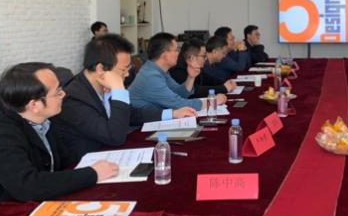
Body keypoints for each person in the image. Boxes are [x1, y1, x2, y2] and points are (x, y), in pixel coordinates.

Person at [0, 62, 119, 216]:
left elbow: (67, 161)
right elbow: (29, 186)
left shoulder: (45, 121)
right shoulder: (2, 138)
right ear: (34, 105)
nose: (63, 95)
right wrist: (92, 174)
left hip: (38, 206)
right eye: (57, 92)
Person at [54, 34, 195, 162]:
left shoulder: (103, 86)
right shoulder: (73, 99)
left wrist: (172, 113)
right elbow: (114, 137)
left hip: (109, 155)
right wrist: (118, 90)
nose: (127, 75)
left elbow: (132, 114)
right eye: (123, 69)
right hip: (85, 166)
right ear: (100, 69)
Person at [129, 32, 225, 111]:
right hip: (139, 126)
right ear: (164, 54)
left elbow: (179, 93)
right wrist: (211, 101)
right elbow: (178, 103)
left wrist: (191, 77)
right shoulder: (151, 77)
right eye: (175, 50)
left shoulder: (160, 70)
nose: (178, 53)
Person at [169, 39, 235, 98]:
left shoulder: (195, 66)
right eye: (203, 56)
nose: (206, 58)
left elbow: (209, 79)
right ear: (192, 57)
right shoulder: (177, 71)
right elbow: (196, 91)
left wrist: (226, 83)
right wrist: (223, 88)